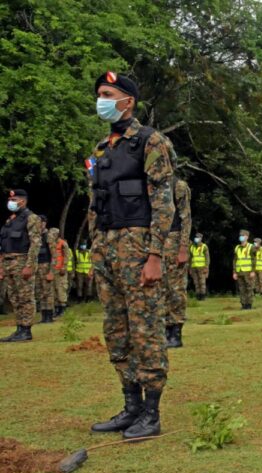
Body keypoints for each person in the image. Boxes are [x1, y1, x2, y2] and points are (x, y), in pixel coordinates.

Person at [88, 71, 175, 439]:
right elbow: (94, 205)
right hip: (107, 249)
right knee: (117, 329)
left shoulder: (149, 141)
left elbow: (163, 201)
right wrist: (95, 249)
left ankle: (151, 415)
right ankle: (130, 407)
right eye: (99, 94)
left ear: (128, 100)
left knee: (145, 329)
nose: (101, 100)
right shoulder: (100, 150)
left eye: (108, 93)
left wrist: (155, 255)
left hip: (139, 247)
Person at [0, 189, 42, 342]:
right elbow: (4, 244)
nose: (11, 203)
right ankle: (19, 329)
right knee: (14, 297)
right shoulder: (11, 220)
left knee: (25, 297)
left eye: (14, 199)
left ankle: (26, 329)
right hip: (8, 262)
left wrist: (29, 265)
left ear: (22, 201)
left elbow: (35, 244)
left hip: (22, 261)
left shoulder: (31, 218)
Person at [163, 177, 192, 349]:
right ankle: (164, 329)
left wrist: (183, 248)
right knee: (160, 288)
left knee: (175, 288)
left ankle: (175, 331)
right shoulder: (150, 184)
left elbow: (186, 219)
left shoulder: (178, 186)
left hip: (174, 241)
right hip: (156, 242)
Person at [34, 215, 56, 324]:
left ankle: (49, 316)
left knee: (48, 292)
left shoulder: (48, 236)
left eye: (41, 222)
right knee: (40, 292)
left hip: (46, 266)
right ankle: (43, 316)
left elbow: (54, 255)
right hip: (37, 266)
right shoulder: (35, 237)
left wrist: (51, 272)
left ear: (44, 223)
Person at [232, 229, 256, 310]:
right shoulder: (237, 248)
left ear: (247, 237)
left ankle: (249, 304)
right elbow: (235, 260)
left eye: (243, 235)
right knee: (241, 289)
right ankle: (243, 304)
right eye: (240, 235)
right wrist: (234, 272)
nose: (241, 237)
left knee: (249, 288)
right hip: (239, 271)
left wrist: (253, 271)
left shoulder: (251, 247)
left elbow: (254, 259)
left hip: (248, 271)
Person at [50, 227, 70, 317]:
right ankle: (57, 308)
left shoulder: (62, 243)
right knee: (53, 290)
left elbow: (66, 256)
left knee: (61, 288)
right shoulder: (50, 244)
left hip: (60, 270)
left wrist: (64, 267)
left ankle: (63, 308)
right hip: (52, 270)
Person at [189, 233, 209, 300]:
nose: (196, 238)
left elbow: (207, 258)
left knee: (202, 282)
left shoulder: (204, 246)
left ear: (201, 238)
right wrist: (190, 268)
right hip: (194, 267)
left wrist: (206, 267)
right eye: (196, 237)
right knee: (196, 283)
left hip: (202, 267)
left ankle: (203, 296)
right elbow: (190, 258)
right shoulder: (192, 247)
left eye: (198, 237)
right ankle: (198, 296)